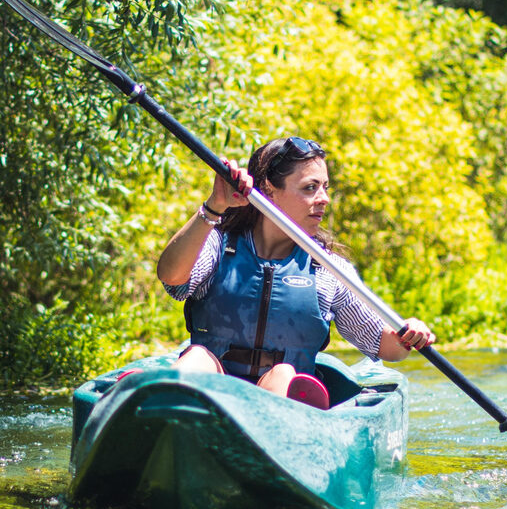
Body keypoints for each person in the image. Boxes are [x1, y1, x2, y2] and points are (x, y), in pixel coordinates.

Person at [157, 137, 435, 409]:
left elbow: (382, 344)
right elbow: (171, 276)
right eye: (310, 188)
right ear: (269, 190)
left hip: (281, 402)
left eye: (325, 187)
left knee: (283, 374)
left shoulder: (327, 269)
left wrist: (407, 335)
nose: (324, 198)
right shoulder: (218, 245)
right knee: (196, 358)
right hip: (211, 393)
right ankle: (169, 413)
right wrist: (214, 206)